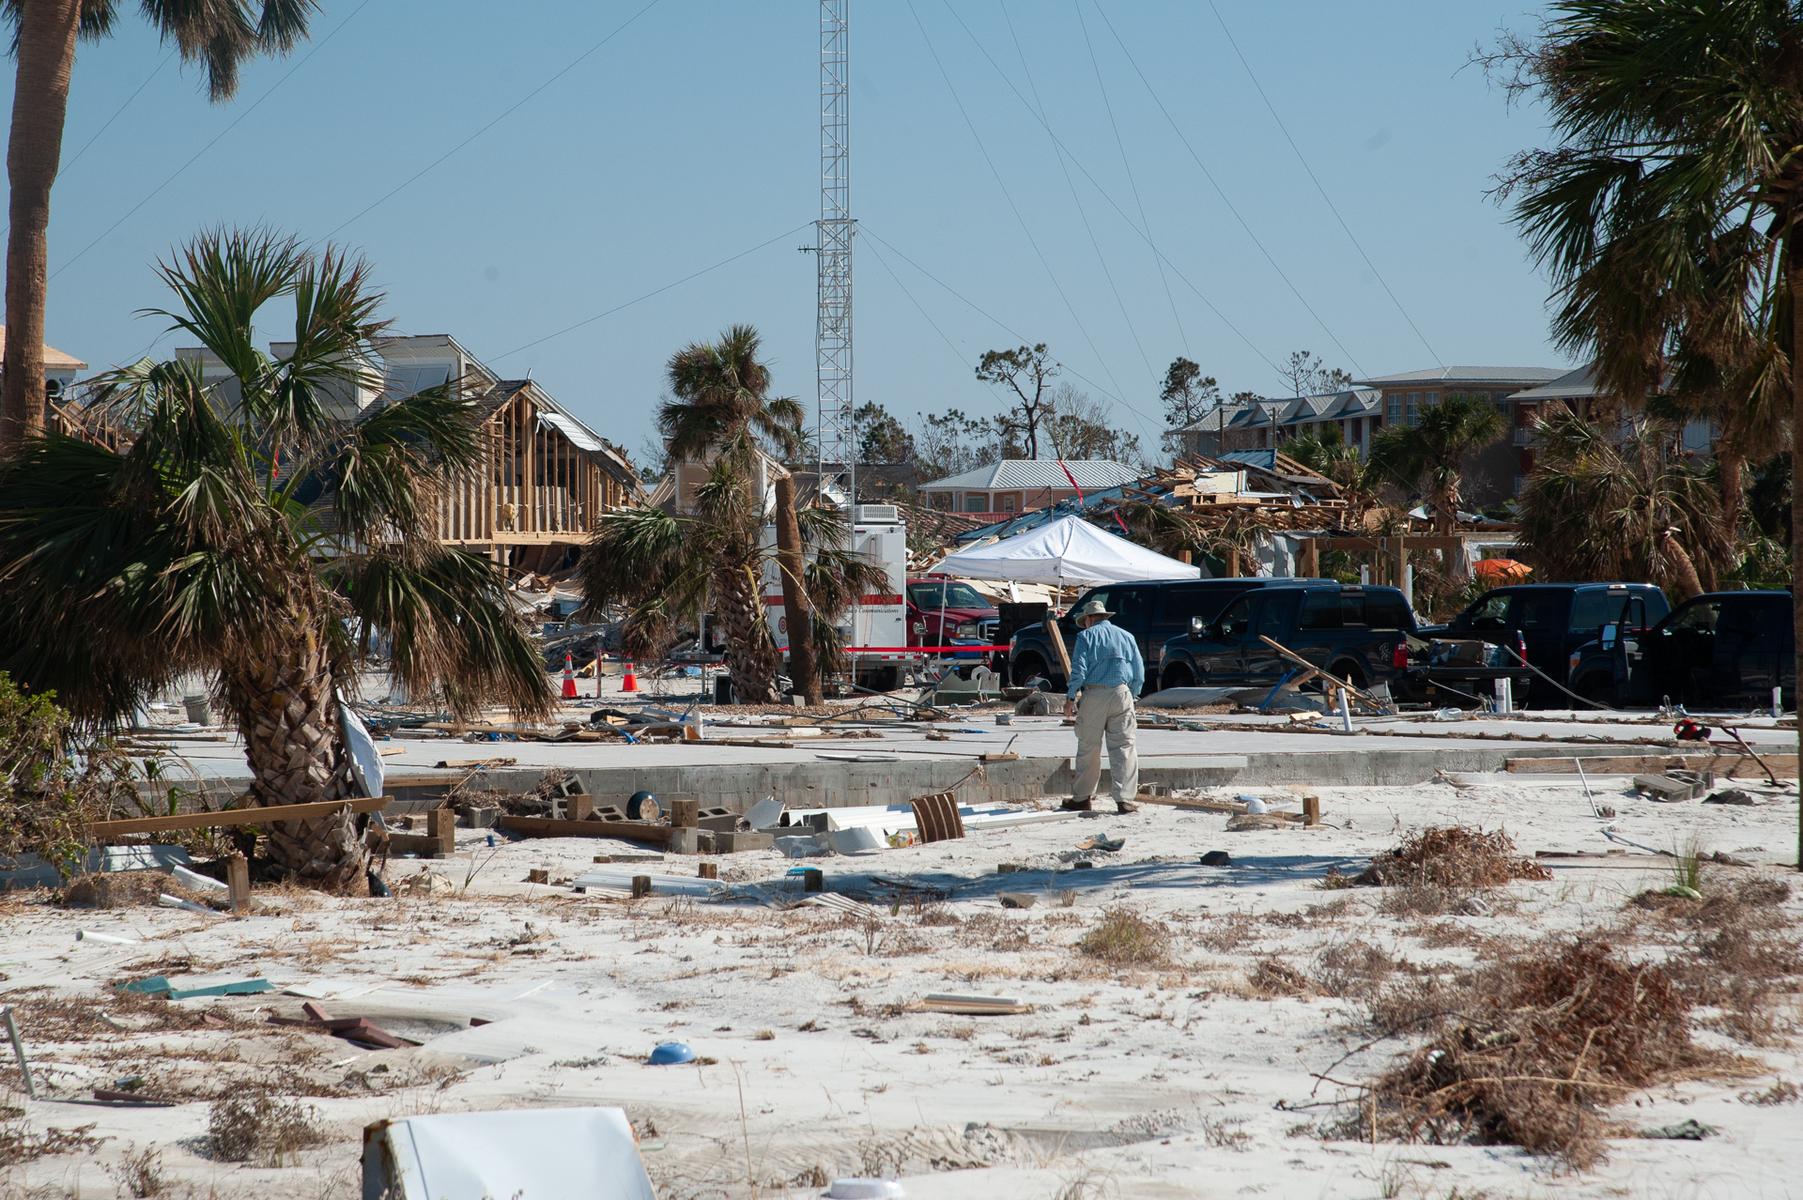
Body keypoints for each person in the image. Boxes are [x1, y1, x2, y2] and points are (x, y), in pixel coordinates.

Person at [1061, 598, 1141, 813]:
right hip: (1122, 693)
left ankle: (1082, 798)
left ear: (1088, 620)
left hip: (1095, 693)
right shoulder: (1127, 636)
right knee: (1123, 748)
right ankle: (1124, 800)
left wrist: (1070, 698)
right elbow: (1139, 673)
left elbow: (1078, 670)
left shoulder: (1085, 636)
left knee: (1089, 747)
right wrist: (1130, 696)